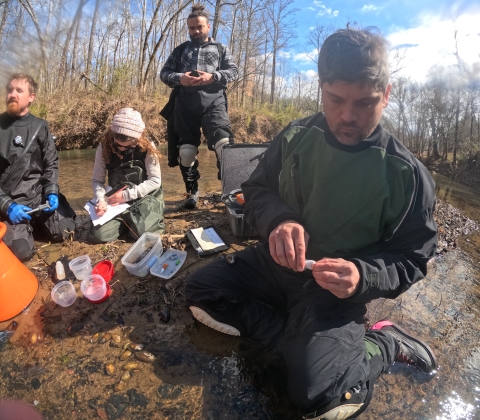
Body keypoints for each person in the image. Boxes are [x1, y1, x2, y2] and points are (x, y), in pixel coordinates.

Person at [185, 27, 438, 420]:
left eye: (365, 103)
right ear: (320, 89)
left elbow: (413, 258)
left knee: (322, 401)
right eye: (335, 100)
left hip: (334, 292)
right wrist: (279, 220)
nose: (347, 116)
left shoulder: (407, 174)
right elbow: (255, 190)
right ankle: (301, 342)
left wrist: (363, 275)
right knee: (201, 290)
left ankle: (382, 344)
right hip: (277, 266)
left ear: (386, 95)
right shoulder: (297, 134)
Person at [160, 4, 238, 209]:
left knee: (225, 146)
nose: (196, 31)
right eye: (192, 28)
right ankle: (192, 191)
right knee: (186, 152)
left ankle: (230, 193)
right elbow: (164, 74)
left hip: (214, 101)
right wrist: (180, 78)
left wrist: (214, 76)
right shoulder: (180, 50)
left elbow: (233, 71)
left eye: (200, 27)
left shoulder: (221, 49)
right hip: (184, 103)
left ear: (208, 26)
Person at [0, 73, 76, 261]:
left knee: (67, 231)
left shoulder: (41, 126)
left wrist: (51, 191)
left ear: (31, 97)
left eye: (19, 90)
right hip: (12, 201)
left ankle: (36, 225)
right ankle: (23, 229)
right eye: (10, 90)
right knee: (22, 253)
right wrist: (7, 206)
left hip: (38, 197)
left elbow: (51, 162)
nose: (13, 94)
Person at [89, 108, 164, 243]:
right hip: (115, 201)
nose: (121, 149)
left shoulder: (148, 147)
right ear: (112, 135)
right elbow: (97, 180)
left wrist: (125, 196)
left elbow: (155, 181)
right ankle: (126, 221)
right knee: (99, 236)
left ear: (137, 139)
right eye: (118, 145)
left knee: (143, 235)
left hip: (144, 196)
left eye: (128, 147)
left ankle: (135, 222)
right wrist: (100, 199)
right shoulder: (103, 147)